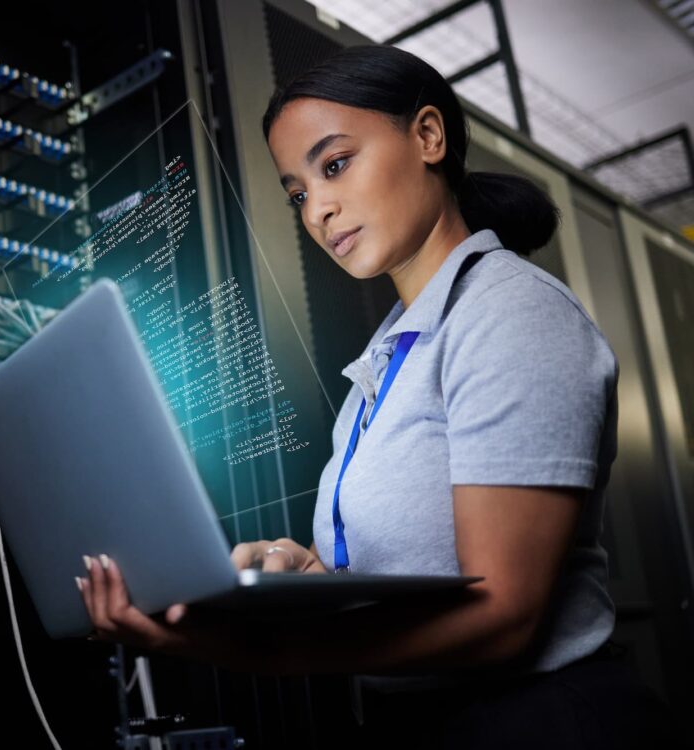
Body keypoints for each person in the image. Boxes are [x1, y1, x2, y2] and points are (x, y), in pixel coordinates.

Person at [76, 45, 684, 747]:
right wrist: (314, 571)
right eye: (298, 192)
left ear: (428, 136)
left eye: (334, 165)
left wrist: (259, 652)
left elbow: (505, 615)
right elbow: (411, 564)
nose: (318, 210)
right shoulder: (390, 358)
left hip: (540, 724)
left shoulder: (512, 314)